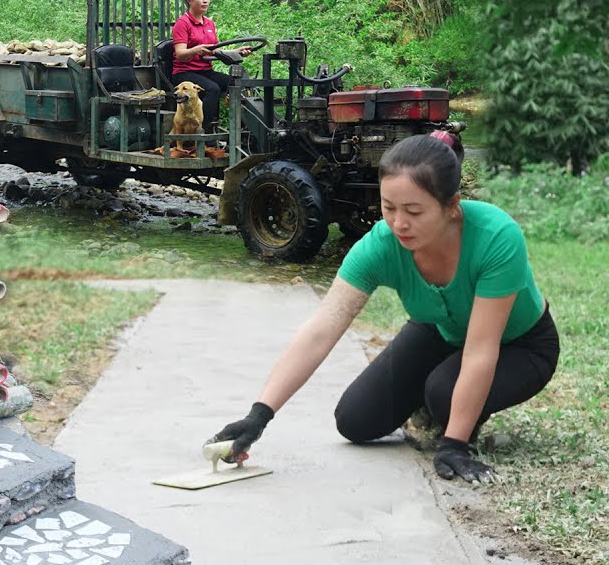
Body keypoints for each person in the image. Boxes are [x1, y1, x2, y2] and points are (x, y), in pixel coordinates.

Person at [208, 134, 559, 482]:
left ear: (451, 205)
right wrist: (260, 414)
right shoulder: (381, 244)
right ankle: (431, 397)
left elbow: (482, 349)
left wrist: (454, 443)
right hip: (441, 332)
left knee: (443, 395)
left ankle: (449, 410)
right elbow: (322, 328)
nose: (398, 223)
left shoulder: (496, 235)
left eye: (414, 211)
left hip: (520, 345)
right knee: (355, 420)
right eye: (389, 207)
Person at [171, 0, 253, 133]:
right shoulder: (182, 23)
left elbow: (217, 50)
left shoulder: (209, 23)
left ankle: (243, 128)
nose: (205, 0)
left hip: (205, 71)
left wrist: (237, 51)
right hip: (184, 72)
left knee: (237, 82)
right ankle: (204, 130)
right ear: (189, 0)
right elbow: (180, 53)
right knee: (212, 89)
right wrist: (196, 50)